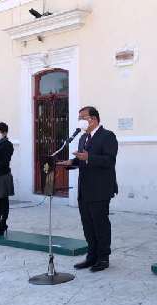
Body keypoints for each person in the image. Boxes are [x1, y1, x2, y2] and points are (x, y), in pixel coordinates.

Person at [60, 106, 118, 272]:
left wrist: (89, 157)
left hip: (100, 189)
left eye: (82, 117)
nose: (80, 121)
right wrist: (72, 162)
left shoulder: (107, 136)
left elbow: (109, 160)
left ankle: (103, 258)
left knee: (100, 224)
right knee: (87, 224)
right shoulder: (83, 138)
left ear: (93, 119)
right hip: (84, 189)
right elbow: (82, 160)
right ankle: (91, 256)